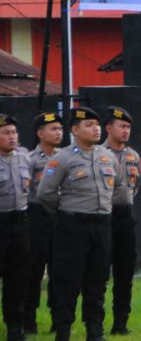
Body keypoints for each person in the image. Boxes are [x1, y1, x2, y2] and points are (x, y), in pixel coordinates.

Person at [37, 107, 125, 341]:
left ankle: (95, 331)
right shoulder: (62, 158)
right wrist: (65, 214)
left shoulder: (107, 156)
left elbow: (118, 186)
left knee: (97, 280)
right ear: (75, 130)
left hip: (102, 225)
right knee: (68, 280)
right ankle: (63, 330)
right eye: (89, 125)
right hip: (73, 225)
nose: (95, 129)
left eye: (97, 124)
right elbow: (45, 193)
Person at [102, 106, 141, 335]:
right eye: (121, 126)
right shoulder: (98, 154)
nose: (126, 131)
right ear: (109, 128)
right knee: (99, 274)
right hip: (103, 217)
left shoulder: (133, 156)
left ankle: (121, 323)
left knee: (124, 274)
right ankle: (95, 323)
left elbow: (135, 186)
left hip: (126, 217)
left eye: (128, 127)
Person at [24, 111, 63, 335]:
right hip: (37, 217)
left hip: (60, 216)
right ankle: (28, 320)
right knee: (34, 269)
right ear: (40, 133)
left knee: (60, 270)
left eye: (60, 129)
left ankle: (59, 319)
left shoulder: (65, 157)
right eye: (53, 129)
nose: (59, 133)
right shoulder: (31, 159)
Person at [0, 113, 31, 341]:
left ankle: (14, 328)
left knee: (17, 278)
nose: (12, 137)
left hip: (20, 223)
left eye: (14, 132)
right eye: (6, 133)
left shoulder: (24, 157)